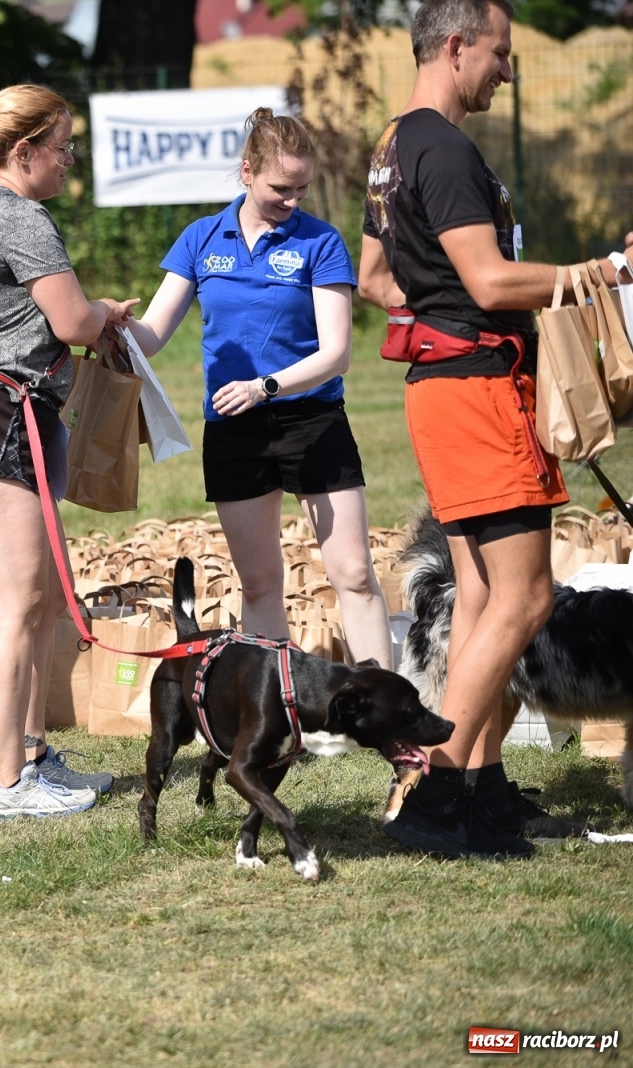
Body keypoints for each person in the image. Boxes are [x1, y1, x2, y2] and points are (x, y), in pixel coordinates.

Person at [357, 0, 631, 858]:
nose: (507, 72)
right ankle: (437, 796)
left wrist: (436, 313)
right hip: (477, 392)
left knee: (478, 597)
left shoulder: (391, 148)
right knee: (525, 596)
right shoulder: (441, 147)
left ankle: (482, 794)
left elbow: (374, 278)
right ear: (456, 45)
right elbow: (486, 280)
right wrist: (609, 270)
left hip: (445, 388)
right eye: (501, 54)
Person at [0, 84, 135, 820]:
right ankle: (7, 785)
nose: (69, 161)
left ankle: (34, 758)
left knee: (39, 598)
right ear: (24, 152)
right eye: (63, 148)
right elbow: (74, 322)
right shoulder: (17, 216)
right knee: (16, 607)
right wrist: (106, 311)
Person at [128, 109, 393, 675]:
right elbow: (150, 336)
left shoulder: (320, 242)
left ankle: (382, 706)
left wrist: (263, 387)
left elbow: (337, 354)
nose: (293, 200)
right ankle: (276, 709)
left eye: (302, 189)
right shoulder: (201, 238)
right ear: (247, 172)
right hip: (234, 430)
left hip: (313, 422)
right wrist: (102, 321)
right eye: (281, 188)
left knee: (353, 574)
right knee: (259, 584)